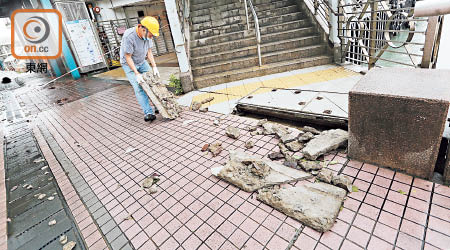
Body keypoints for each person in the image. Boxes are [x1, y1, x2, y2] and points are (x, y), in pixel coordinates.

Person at [120, 16, 161, 122]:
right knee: (139, 87)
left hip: (142, 62)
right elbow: (128, 57)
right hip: (129, 65)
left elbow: (149, 52)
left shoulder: (147, 36)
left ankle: (158, 106)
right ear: (143, 29)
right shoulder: (129, 36)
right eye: (151, 34)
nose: (151, 37)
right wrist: (136, 73)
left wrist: (154, 66)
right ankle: (148, 112)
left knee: (153, 82)